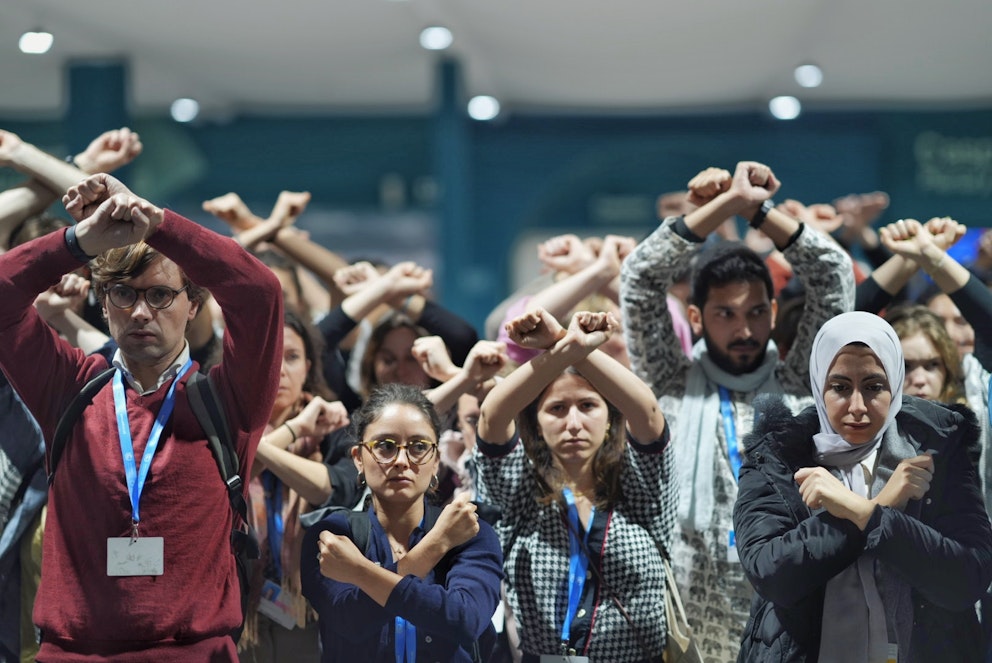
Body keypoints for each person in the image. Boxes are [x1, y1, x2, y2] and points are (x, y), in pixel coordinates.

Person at [0, 173, 283, 661]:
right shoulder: (69, 386)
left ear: (193, 304)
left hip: (195, 653)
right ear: (104, 303)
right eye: (124, 295)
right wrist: (80, 240)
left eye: (160, 295)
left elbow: (259, 294)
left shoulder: (228, 399)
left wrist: (158, 225)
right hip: (74, 652)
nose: (139, 312)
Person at [620, 161, 854, 660]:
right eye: (725, 314)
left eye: (754, 313)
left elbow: (831, 273)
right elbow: (640, 277)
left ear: (773, 313)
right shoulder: (669, 383)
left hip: (786, 607)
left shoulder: (802, 386)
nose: (743, 330)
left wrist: (757, 210)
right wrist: (720, 208)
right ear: (696, 318)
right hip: (688, 614)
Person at [733, 311, 992, 661]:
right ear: (818, 384)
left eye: (873, 387)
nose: (857, 407)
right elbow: (772, 573)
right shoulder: (777, 456)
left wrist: (869, 515)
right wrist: (877, 509)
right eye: (839, 387)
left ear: (895, 384)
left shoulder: (939, 448)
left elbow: (968, 577)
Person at [475, 307, 672, 662]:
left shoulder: (639, 487)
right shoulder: (520, 490)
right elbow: (492, 417)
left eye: (587, 405)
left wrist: (571, 345)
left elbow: (648, 413)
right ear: (535, 423)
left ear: (611, 419)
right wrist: (564, 348)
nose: (574, 423)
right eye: (557, 409)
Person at [300, 383, 503, 661]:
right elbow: (349, 620)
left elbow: (464, 619)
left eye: (419, 447)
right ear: (359, 459)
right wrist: (436, 544)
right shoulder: (332, 536)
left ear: (435, 461)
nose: (401, 460)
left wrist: (360, 572)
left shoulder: (470, 531)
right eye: (385, 446)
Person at [239, 308, 353, 663]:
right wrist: (296, 430)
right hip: (236, 609)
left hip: (308, 609)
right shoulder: (223, 422)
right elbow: (226, 480)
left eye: (291, 357)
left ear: (309, 367)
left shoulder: (334, 430)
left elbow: (332, 490)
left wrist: (270, 444)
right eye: (268, 357)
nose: (280, 370)